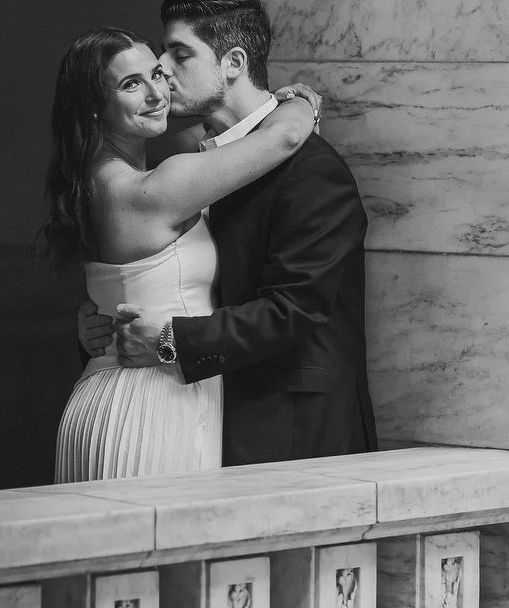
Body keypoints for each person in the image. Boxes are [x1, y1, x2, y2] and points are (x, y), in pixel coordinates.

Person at [78, 0, 378, 466]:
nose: (162, 71)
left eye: (179, 55)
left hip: (291, 431)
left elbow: (296, 309)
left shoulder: (311, 169)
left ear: (233, 62)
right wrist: (102, 324)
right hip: (193, 414)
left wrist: (170, 340)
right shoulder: (184, 162)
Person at [41, 26, 318, 479]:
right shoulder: (149, 188)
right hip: (148, 405)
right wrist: (302, 103)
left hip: (113, 391)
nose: (156, 94)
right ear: (93, 106)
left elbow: (210, 137)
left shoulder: (98, 174)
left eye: (157, 74)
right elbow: (284, 138)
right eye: (131, 84)